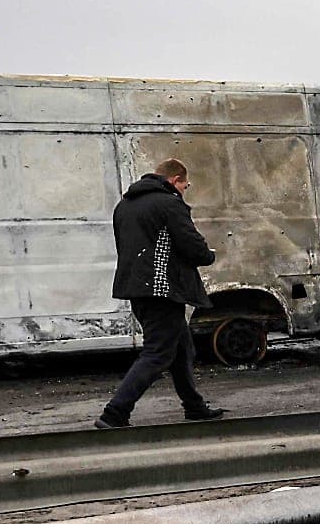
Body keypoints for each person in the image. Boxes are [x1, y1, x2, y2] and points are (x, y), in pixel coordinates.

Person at [96, 159, 227, 428]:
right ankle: (114, 413)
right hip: (162, 289)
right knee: (157, 353)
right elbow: (190, 243)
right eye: (185, 185)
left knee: (181, 349)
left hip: (137, 289)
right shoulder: (169, 203)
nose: (184, 190)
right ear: (175, 180)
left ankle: (194, 407)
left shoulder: (124, 206)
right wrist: (208, 255)